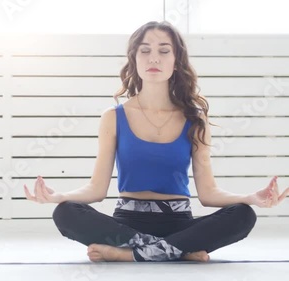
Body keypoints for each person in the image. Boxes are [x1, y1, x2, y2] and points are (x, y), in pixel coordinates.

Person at [23, 21, 289, 262]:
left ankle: (128, 256)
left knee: (243, 216)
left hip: (179, 223)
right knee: (65, 212)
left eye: (164, 51)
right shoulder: (113, 118)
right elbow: (97, 189)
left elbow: (208, 194)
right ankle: (175, 251)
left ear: (176, 61)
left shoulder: (195, 120)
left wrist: (251, 198)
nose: (154, 58)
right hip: (126, 226)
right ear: (134, 59)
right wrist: (58, 196)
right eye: (145, 50)